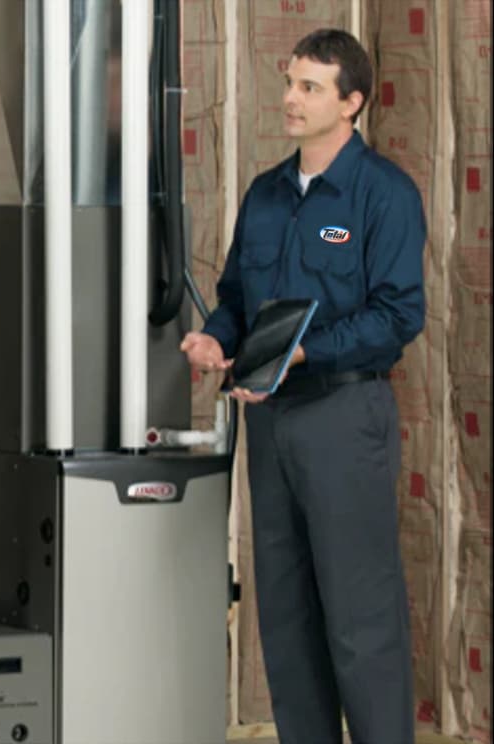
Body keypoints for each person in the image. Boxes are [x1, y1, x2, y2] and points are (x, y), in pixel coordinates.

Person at [181, 29, 424, 744]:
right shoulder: (265, 194)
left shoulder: (383, 194)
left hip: (344, 415)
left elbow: (397, 314)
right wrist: (217, 338)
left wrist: (300, 354)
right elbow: (233, 296)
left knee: (359, 614)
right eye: (289, 81)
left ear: (350, 102)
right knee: (284, 611)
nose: (289, 97)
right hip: (269, 420)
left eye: (309, 87)